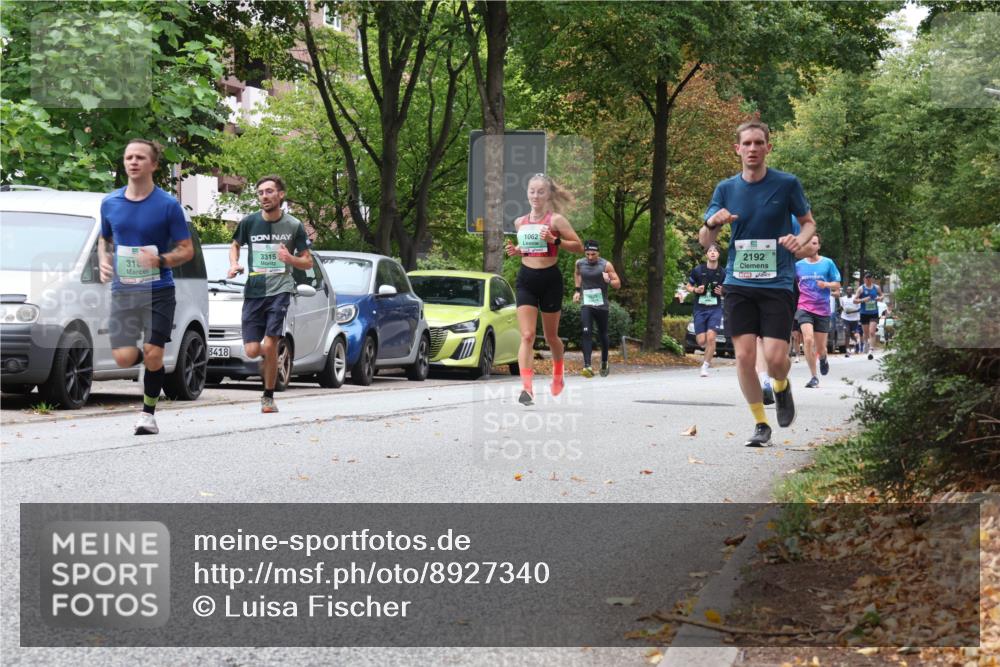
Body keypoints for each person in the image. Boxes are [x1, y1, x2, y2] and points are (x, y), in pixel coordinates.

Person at [700, 120, 816, 447]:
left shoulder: (787, 184)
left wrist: (799, 239)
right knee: (744, 356)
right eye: (746, 143)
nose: (752, 149)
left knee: (777, 358)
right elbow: (704, 237)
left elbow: (808, 223)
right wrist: (712, 221)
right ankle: (760, 424)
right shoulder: (725, 189)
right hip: (738, 283)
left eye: (758, 143)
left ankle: (781, 386)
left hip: (777, 283)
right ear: (737, 149)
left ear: (768, 147)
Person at [99, 139, 194, 435]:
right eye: (128, 157)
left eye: (140, 157)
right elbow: (105, 238)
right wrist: (104, 259)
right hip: (123, 291)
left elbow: (187, 250)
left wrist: (161, 259)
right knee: (124, 357)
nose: (133, 162)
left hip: (159, 290)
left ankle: (147, 414)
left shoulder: (168, 205)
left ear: (153, 165)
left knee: (154, 351)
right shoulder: (110, 203)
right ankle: (149, 363)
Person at [228, 175, 313, 413]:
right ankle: (269, 361)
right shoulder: (249, 222)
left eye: (269, 192)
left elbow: (307, 262)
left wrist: (290, 259)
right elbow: (235, 245)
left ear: (280, 195)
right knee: (253, 350)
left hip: (281, 288)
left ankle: (268, 396)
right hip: (255, 289)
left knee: (271, 342)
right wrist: (235, 264)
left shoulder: (294, 225)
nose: (264, 196)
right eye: (260, 193)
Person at [506, 173, 583, 406]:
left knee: (551, 337)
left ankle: (558, 376)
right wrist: (518, 250)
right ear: (527, 193)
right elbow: (529, 247)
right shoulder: (520, 222)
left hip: (550, 279)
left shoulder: (556, 220)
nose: (536, 196)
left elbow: (578, 246)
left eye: (541, 192)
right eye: (532, 191)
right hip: (526, 278)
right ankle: (527, 389)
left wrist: (555, 240)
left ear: (548, 194)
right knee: (527, 335)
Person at [794, 234, 841, 388]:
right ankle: (814, 376)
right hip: (804, 307)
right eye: (808, 243)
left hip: (823, 309)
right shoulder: (798, 265)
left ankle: (823, 358)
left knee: (821, 348)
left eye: (814, 243)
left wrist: (826, 285)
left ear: (819, 246)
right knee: (807, 340)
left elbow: (837, 285)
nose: (811, 246)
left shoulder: (828, 263)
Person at [573, 240, 621, 378]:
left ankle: (604, 361)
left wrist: (609, 281)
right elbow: (577, 274)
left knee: (603, 334)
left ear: (598, 253)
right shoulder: (579, 263)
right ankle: (587, 366)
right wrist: (577, 291)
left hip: (602, 305)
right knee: (586, 332)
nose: (590, 257)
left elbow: (618, 284)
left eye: (593, 254)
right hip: (586, 304)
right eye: (587, 254)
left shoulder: (606, 265)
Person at [686, 243, 726, 377]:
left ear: (719, 254)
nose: (713, 253)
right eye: (710, 251)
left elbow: (729, 290)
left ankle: (705, 366)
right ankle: (708, 348)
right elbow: (689, 286)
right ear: (706, 254)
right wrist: (695, 290)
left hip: (715, 309)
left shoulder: (723, 272)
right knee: (701, 341)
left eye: (715, 251)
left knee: (711, 337)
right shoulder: (698, 270)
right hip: (700, 309)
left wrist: (724, 292)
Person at [855, 272, 883, 360]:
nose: (868, 280)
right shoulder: (861, 289)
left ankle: (871, 350)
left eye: (869, 278)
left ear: (872, 279)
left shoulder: (876, 287)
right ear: (864, 279)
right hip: (864, 313)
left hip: (874, 313)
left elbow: (882, 295)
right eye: (866, 279)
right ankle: (866, 344)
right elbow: (854, 300)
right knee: (866, 333)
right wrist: (863, 300)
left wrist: (880, 298)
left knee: (872, 332)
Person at [840, 283, 862, 357]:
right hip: (845, 318)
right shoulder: (843, 298)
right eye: (847, 290)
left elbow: (859, 309)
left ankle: (857, 343)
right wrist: (843, 309)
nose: (848, 291)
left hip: (854, 319)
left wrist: (851, 311)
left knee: (853, 335)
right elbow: (842, 307)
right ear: (846, 291)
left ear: (852, 291)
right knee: (847, 333)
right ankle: (847, 350)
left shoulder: (855, 298)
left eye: (850, 290)